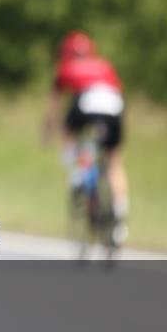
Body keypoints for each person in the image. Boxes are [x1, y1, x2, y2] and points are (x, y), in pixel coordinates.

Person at [42, 30, 129, 245]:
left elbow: (54, 108)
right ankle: (120, 217)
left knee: (69, 131)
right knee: (114, 162)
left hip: (87, 101)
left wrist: (48, 132)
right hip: (114, 105)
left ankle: (77, 174)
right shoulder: (104, 65)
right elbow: (119, 91)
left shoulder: (65, 67)